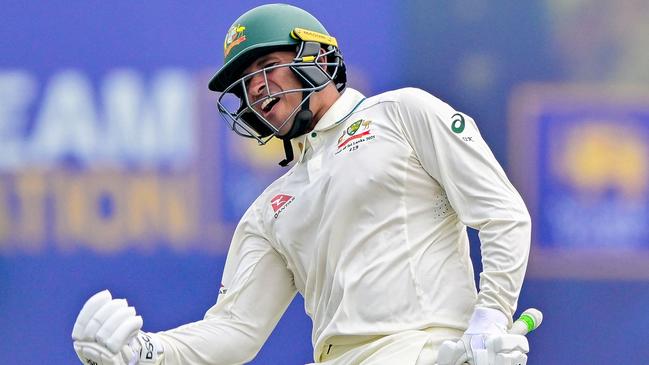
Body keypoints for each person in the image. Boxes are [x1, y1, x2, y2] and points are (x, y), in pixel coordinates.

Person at [71, 4, 532, 365]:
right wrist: (143, 353)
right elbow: (234, 332)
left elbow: (503, 215)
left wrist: (489, 320)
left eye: (267, 66)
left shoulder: (402, 114)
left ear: (316, 58)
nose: (256, 91)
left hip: (427, 353)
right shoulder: (271, 208)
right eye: (245, 86)